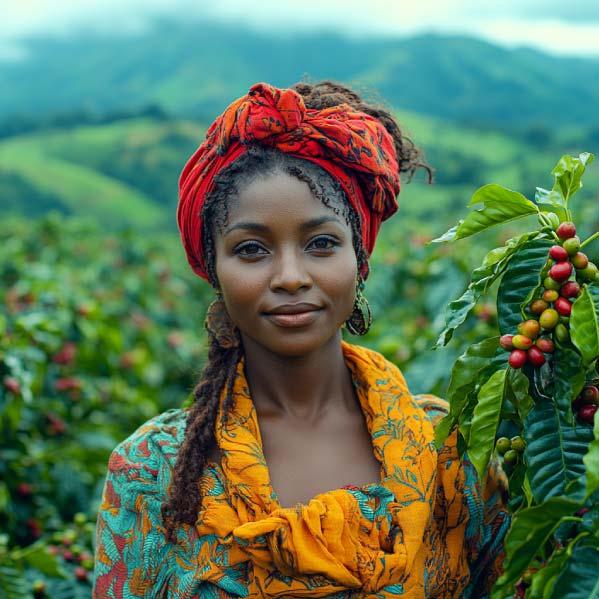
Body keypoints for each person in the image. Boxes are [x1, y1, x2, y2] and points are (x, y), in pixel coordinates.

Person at [93, 81, 510, 599]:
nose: (290, 276)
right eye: (251, 249)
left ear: (359, 259)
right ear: (214, 270)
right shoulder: (152, 470)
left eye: (320, 243)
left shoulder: (451, 449)